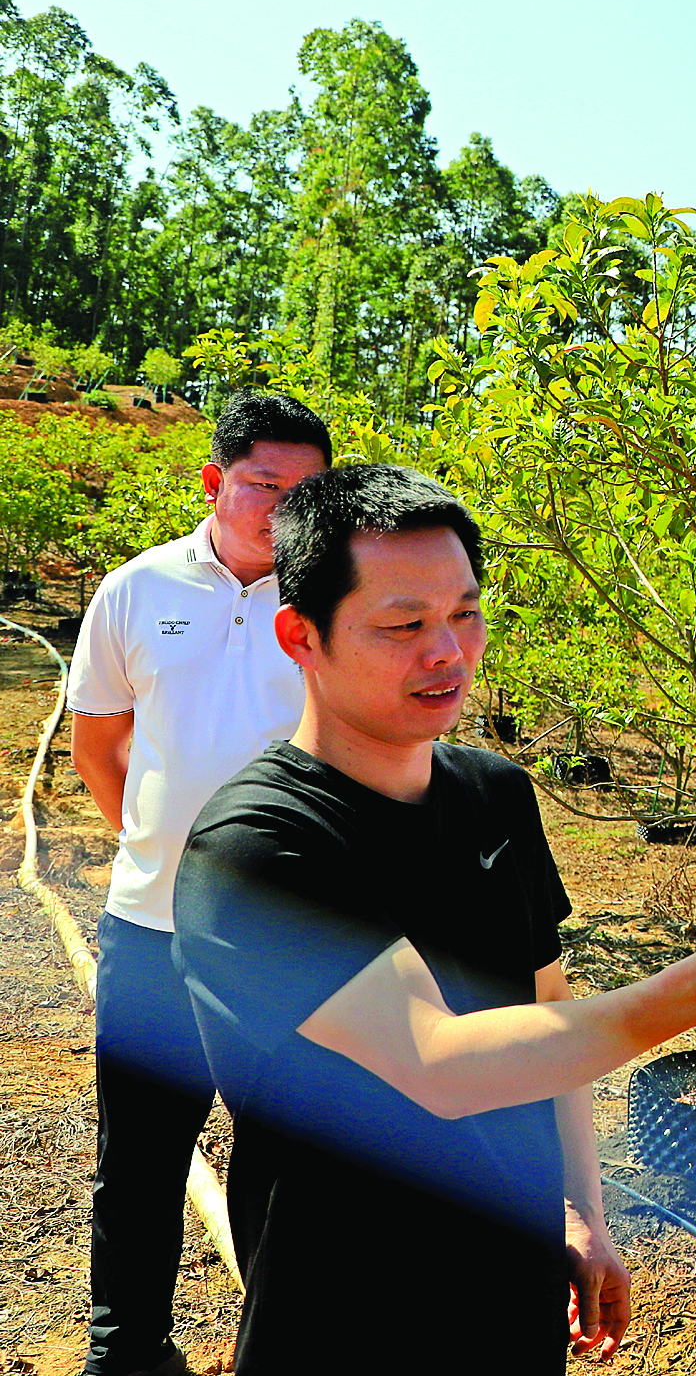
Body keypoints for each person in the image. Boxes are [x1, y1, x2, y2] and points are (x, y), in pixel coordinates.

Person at [171, 464, 696, 1375]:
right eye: (403, 625)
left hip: (510, 1295)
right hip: (345, 1316)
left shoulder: (494, 796)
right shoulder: (258, 848)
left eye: (464, 613)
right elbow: (437, 1061)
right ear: (299, 637)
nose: (449, 652)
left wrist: (581, 1205)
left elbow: (547, 1007)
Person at [66, 391, 332, 1376]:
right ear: (217, 482)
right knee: (135, 1160)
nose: (284, 507)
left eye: (307, 492)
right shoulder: (137, 590)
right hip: (150, 927)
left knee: (284, 1163)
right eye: (266, 485)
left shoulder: (331, 601)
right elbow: (101, 743)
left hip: (286, 938)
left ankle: (283, 1346)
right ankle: (126, 1347)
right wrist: (155, 843)